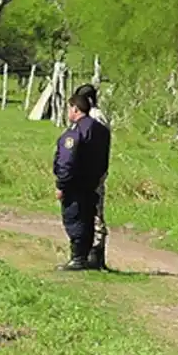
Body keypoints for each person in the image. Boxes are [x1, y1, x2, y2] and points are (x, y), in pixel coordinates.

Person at [53, 94, 111, 271]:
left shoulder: (75, 133)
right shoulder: (102, 131)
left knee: (75, 219)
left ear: (75, 109)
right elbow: (104, 160)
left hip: (75, 184)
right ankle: (87, 257)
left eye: (69, 108)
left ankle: (78, 258)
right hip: (92, 184)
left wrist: (62, 185)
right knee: (88, 219)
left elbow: (66, 161)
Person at [74, 83, 111, 270]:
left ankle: (96, 254)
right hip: (94, 171)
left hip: (93, 172)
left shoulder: (95, 118)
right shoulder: (96, 117)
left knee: (95, 211)